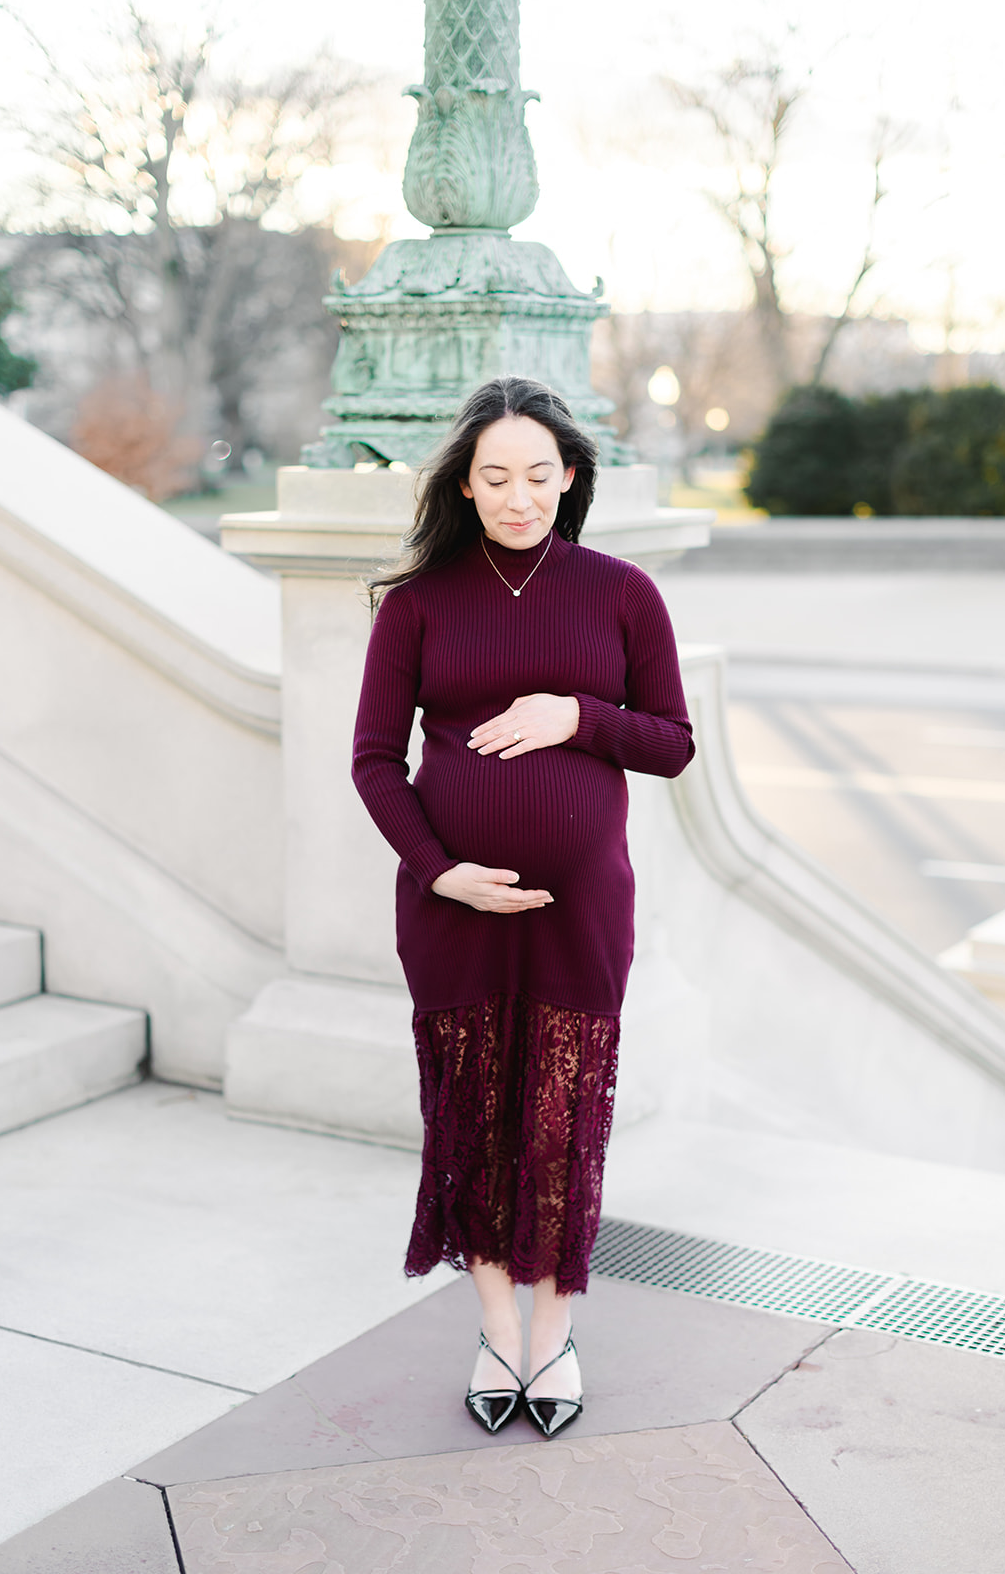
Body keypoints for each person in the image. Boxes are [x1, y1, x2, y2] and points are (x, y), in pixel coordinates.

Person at [352, 376, 694, 1440]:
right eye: (495, 476)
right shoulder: (415, 602)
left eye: (538, 475)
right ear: (464, 482)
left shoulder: (620, 591)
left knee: (558, 1117)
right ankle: (498, 1325)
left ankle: (554, 1332)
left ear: (570, 477)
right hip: (450, 906)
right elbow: (372, 761)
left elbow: (671, 743)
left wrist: (574, 715)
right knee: (472, 1116)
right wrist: (435, 868)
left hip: (581, 904)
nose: (517, 495)